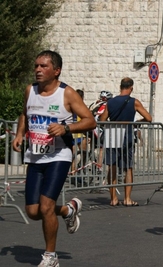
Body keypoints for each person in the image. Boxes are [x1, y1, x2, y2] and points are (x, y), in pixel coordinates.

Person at [12, 50, 96, 267]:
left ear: (56, 70)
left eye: (43, 66)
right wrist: (21, 133)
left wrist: (66, 127)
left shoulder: (66, 94)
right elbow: (24, 114)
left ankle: (50, 256)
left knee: (47, 206)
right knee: (33, 211)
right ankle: (68, 210)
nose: (38, 70)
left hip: (59, 156)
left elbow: (90, 121)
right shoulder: (30, 90)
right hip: (36, 157)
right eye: (36, 66)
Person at [99, 77, 152, 206]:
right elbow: (148, 118)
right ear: (131, 88)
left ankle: (113, 199)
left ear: (120, 87)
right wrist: (137, 123)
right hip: (126, 136)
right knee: (128, 168)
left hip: (112, 135)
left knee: (112, 167)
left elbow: (102, 120)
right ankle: (127, 199)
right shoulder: (134, 102)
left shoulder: (110, 103)